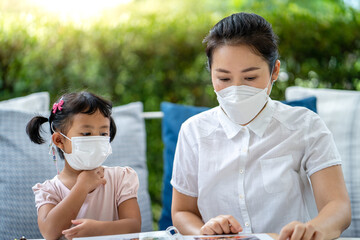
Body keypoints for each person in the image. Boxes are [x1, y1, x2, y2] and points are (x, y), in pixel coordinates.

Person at [171, 12, 351, 240]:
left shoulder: (305, 126)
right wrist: (206, 234)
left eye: (250, 78)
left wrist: (314, 229)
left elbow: (338, 206)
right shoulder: (193, 132)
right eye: (224, 79)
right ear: (211, 74)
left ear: (274, 71)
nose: (236, 90)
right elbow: (182, 211)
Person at [26, 91, 141, 240]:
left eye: (103, 134)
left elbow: (134, 227)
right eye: (86, 133)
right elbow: (49, 232)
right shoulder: (50, 190)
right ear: (59, 140)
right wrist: (82, 186)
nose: (96, 140)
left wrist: (97, 230)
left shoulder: (121, 179)